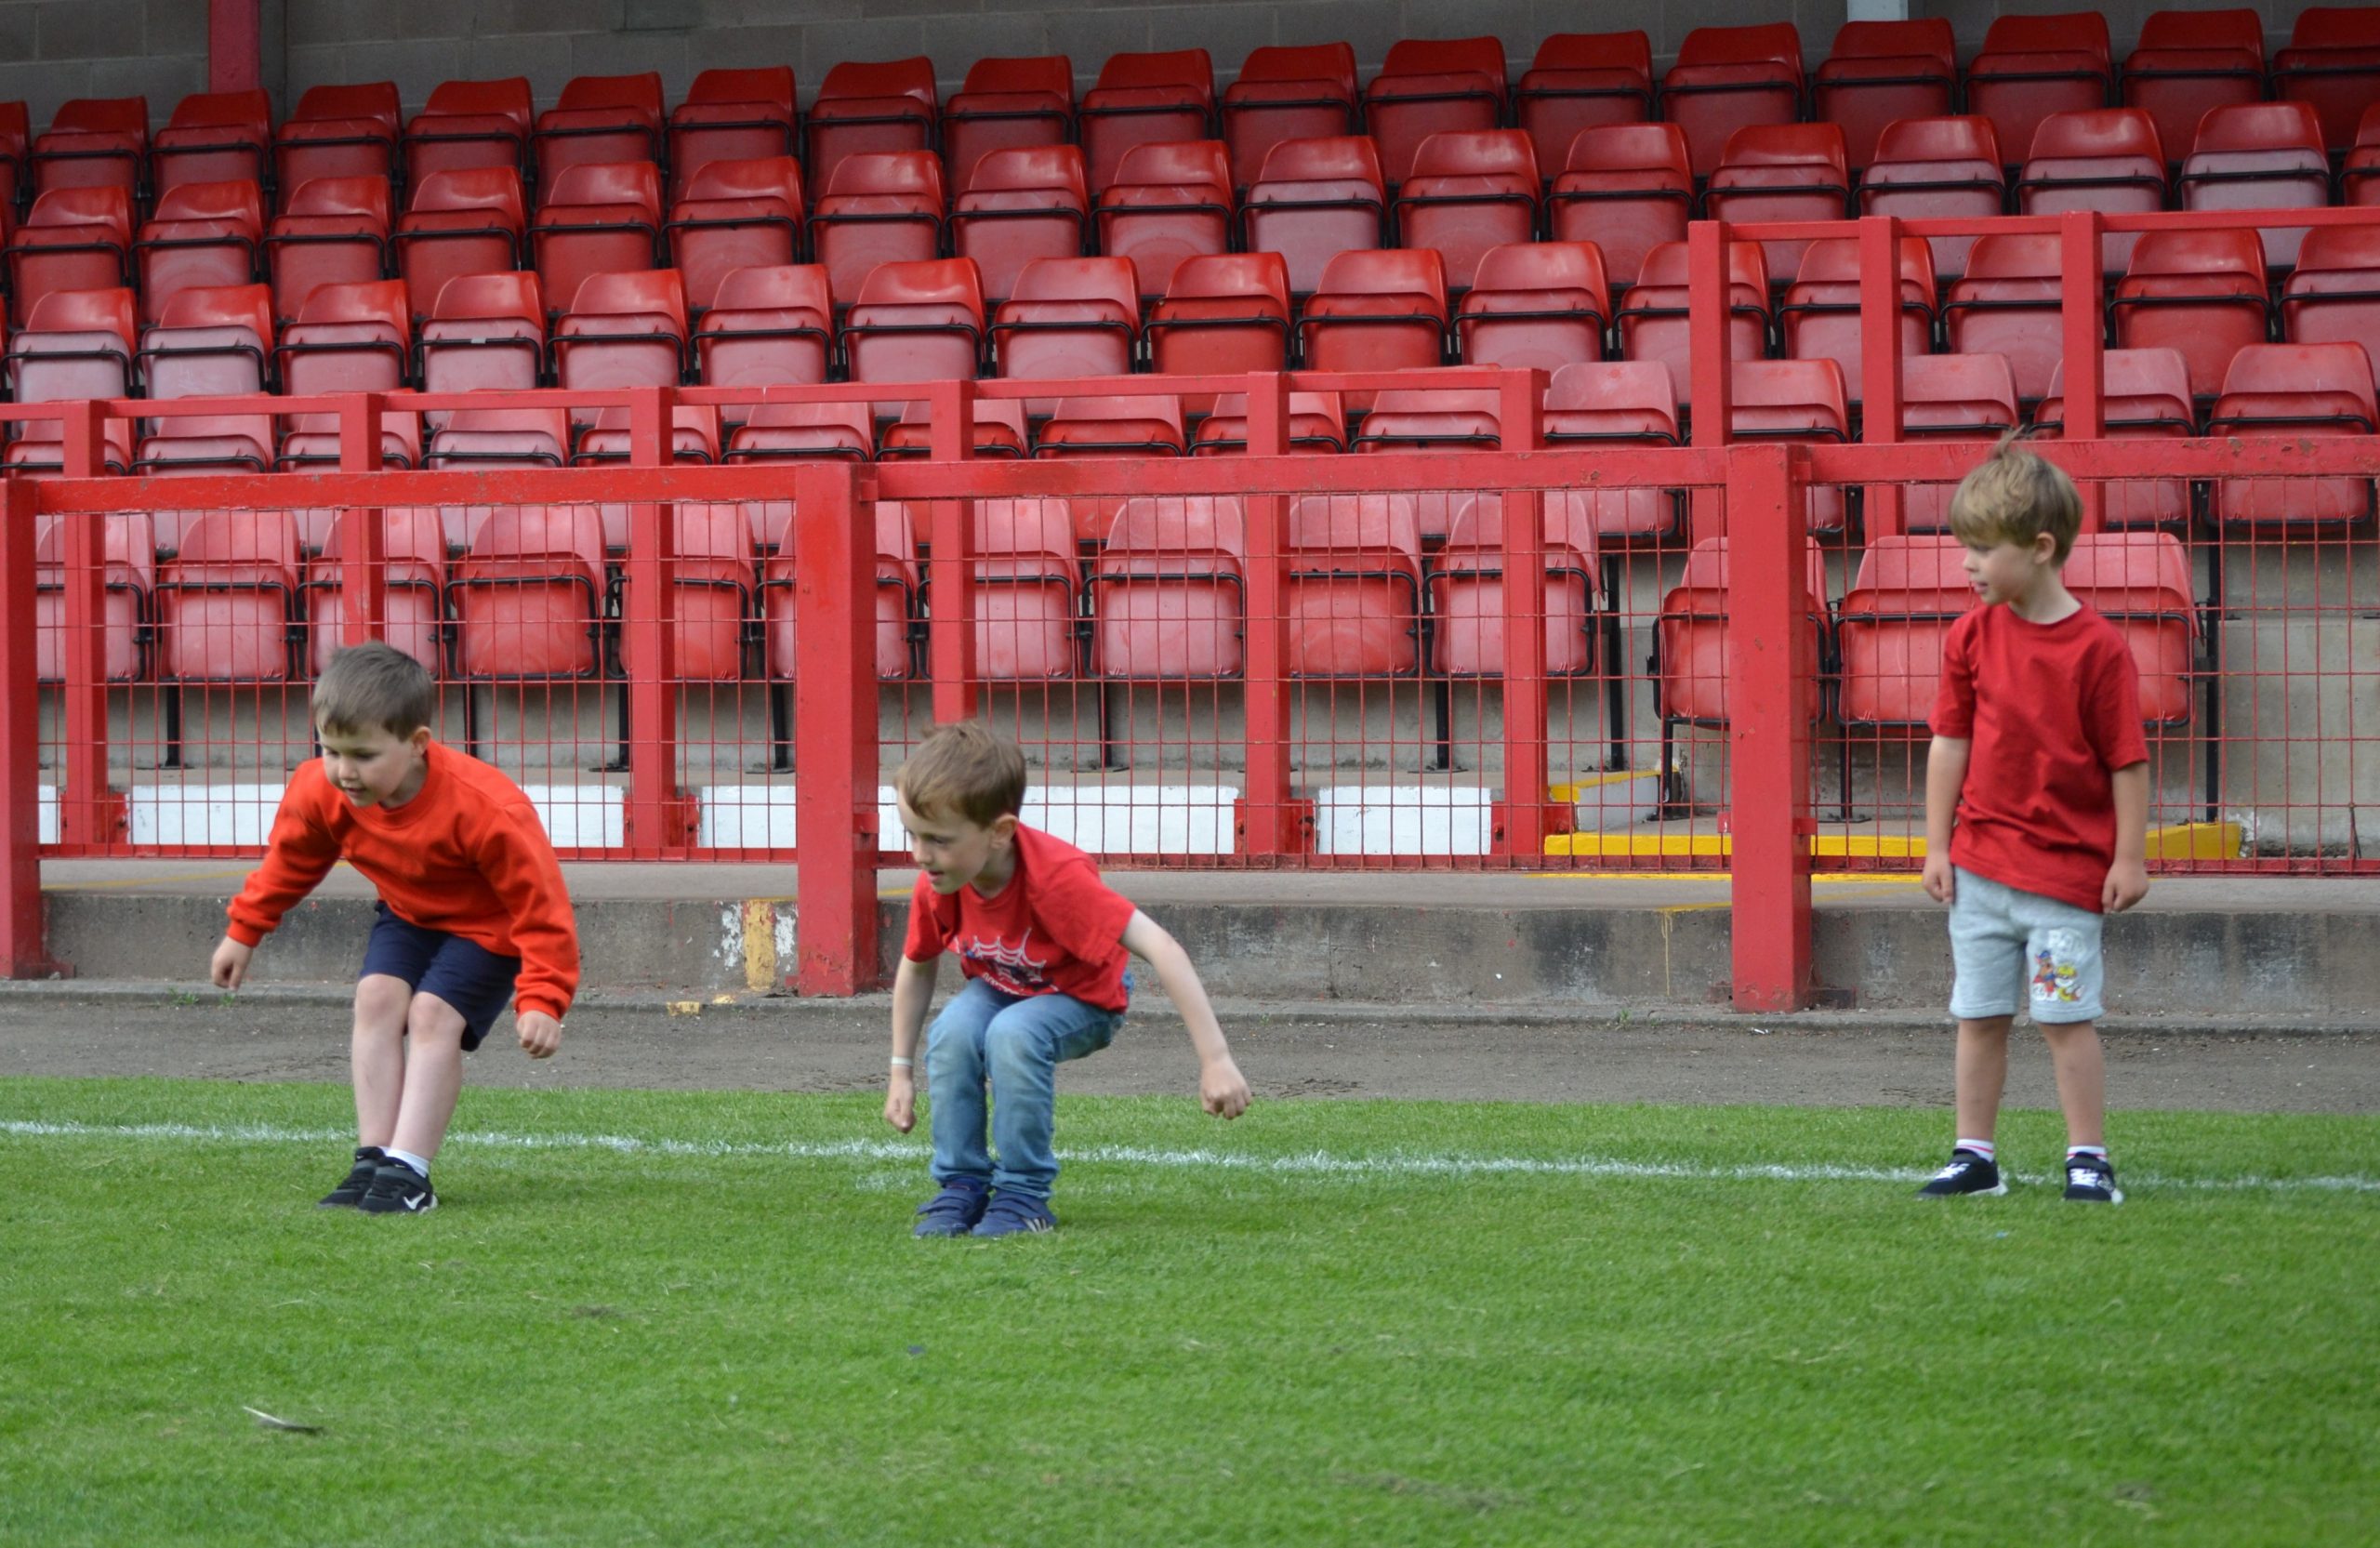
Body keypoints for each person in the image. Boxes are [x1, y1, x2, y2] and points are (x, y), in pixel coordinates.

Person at [210, 642, 579, 1215]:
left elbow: (541, 906)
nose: (343, 771)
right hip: (409, 915)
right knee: (377, 998)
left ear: (417, 745)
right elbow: (291, 861)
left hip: (489, 928)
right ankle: (374, 1159)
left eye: (362, 755)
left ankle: (411, 1172)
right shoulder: (321, 790)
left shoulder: (488, 810)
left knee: (432, 1015)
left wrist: (543, 998)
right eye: (330, 751)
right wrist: (244, 930)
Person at [883, 721, 1251, 1237]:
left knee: (1013, 1036)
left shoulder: (1058, 880)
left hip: (1084, 999)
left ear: (1000, 832)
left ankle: (1022, 1195)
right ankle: (961, 1186)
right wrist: (901, 1071)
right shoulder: (938, 883)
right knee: (954, 1032)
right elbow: (917, 965)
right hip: (1004, 988)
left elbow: (1162, 948)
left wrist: (1216, 1061)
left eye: (938, 840)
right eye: (913, 835)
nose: (920, 855)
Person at [1918, 437, 2149, 1205]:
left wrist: (2129, 859)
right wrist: (1936, 846)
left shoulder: (2100, 650)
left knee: (2063, 1019)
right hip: (1979, 874)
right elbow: (1948, 743)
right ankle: (1973, 1155)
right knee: (1978, 1015)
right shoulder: (1969, 636)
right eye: (1965, 548)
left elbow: (2126, 762)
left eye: (1983, 549)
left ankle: (2088, 1156)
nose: (1968, 564)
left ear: (2041, 547)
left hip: (2062, 882)